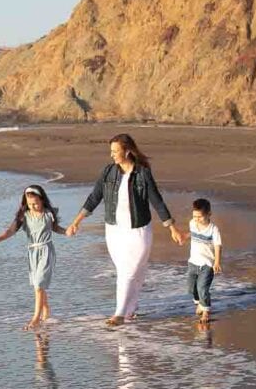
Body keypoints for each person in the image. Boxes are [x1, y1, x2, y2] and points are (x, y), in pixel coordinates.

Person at [65, 133, 185, 326]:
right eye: (110, 151)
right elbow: (94, 197)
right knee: (129, 271)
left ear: (127, 151)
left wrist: (172, 228)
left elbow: (157, 201)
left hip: (138, 230)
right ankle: (130, 310)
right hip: (113, 231)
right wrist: (76, 221)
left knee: (130, 271)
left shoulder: (142, 173)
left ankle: (119, 313)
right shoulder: (108, 172)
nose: (111, 155)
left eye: (115, 151)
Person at [0, 185, 65, 330]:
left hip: (46, 250)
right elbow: (10, 231)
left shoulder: (48, 214)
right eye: (30, 204)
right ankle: (45, 310)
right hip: (32, 252)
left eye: (36, 203)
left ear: (42, 200)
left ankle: (35, 318)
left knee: (39, 283)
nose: (33, 206)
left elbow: (56, 228)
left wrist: (67, 231)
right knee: (37, 285)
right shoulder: (24, 216)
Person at [187, 198, 223, 323]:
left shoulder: (213, 229)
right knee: (191, 289)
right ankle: (201, 303)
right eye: (194, 216)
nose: (196, 219)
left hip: (207, 265)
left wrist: (217, 262)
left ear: (209, 214)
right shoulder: (192, 223)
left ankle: (206, 312)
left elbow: (218, 245)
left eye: (200, 217)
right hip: (192, 262)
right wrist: (183, 236)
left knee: (202, 288)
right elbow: (191, 233)